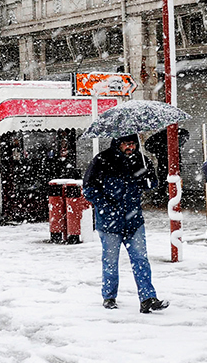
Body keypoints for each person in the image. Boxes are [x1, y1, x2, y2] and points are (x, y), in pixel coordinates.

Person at [83, 133, 169, 314]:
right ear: (118, 144)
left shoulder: (141, 161)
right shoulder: (102, 161)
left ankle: (147, 298)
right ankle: (109, 296)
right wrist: (106, 207)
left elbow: (151, 183)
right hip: (109, 222)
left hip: (133, 220)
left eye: (133, 144)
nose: (130, 148)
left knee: (140, 260)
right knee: (110, 261)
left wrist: (148, 178)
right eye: (126, 144)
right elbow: (89, 189)